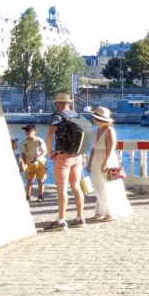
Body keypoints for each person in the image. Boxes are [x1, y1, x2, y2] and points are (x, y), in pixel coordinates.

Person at [45, 92, 87, 231]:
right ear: (68, 103)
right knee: (76, 186)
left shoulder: (57, 116)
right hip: (78, 155)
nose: (56, 105)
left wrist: (50, 151)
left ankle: (61, 221)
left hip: (63, 155)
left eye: (57, 103)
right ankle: (80, 218)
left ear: (59, 103)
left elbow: (50, 133)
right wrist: (83, 153)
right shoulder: (76, 114)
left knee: (62, 187)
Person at [86, 106, 132, 222]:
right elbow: (93, 148)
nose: (92, 119)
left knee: (109, 184)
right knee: (98, 185)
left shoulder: (110, 130)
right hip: (97, 158)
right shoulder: (95, 131)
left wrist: (105, 162)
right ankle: (100, 211)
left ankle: (111, 212)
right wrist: (90, 162)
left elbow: (111, 147)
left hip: (108, 158)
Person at [19, 124, 48, 201]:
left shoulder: (40, 141)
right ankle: (28, 196)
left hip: (41, 163)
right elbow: (22, 154)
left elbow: (44, 151)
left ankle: (40, 196)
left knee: (40, 180)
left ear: (34, 131)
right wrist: (22, 163)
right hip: (29, 163)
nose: (28, 132)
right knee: (29, 180)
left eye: (30, 131)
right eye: (26, 131)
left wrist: (38, 157)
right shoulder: (23, 142)